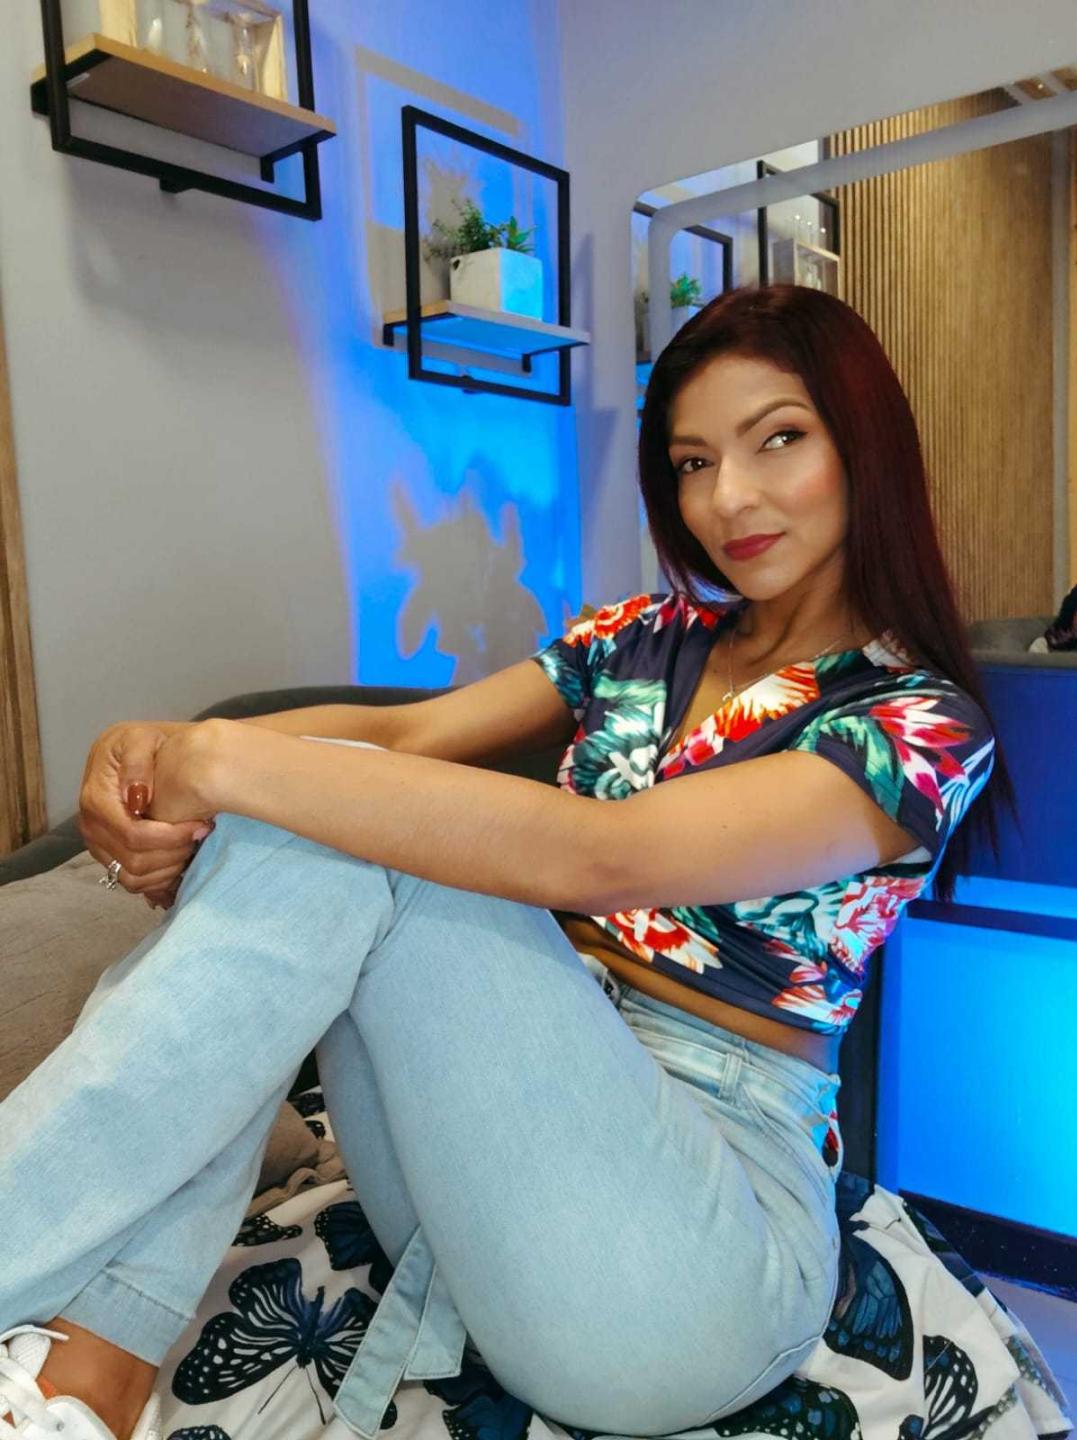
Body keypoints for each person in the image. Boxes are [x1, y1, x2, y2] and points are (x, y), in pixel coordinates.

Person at [0, 285, 1006, 1440]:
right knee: (322, 808)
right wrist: (157, 750)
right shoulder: (641, 639)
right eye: (692, 462)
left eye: (778, 439)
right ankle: (90, 1378)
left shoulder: (919, 724)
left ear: (863, 443)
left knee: (331, 810)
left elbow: (607, 856)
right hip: (486, 1156)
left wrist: (228, 763)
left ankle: (75, 1339)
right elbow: (404, 736)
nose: (728, 496)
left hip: (701, 1247)